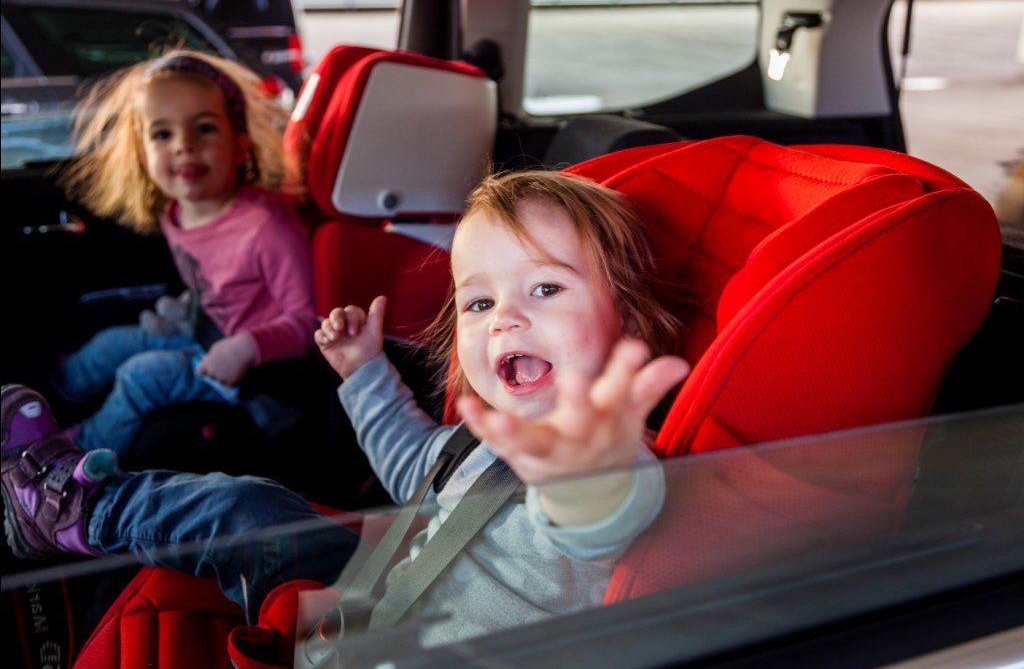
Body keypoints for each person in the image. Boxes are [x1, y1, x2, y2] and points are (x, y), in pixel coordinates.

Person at [2, 170, 691, 646]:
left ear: (629, 325)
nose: (504, 318)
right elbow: (412, 464)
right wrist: (364, 371)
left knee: (239, 508)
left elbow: (600, 517)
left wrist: (583, 462)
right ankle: (74, 507)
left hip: (418, 646)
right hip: (386, 597)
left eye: (545, 289)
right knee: (246, 502)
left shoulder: (610, 460)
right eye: (480, 303)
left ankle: (81, 509)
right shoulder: (480, 442)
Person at [51, 49, 317, 455]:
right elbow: (223, 286)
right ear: (143, 153)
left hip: (263, 379)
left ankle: (68, 465)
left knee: (143, 375)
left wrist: (247, 345)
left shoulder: (268, 228)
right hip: (208, 337)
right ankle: (45, 406)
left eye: (205, 128)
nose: (184, 146)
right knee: (110, 347)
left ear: (241, 144)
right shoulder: (177, 214)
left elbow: (307, 323)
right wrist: (189, 308)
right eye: (162, 134)